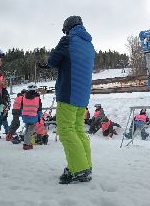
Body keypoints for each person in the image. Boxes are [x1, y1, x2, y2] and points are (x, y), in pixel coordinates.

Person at [39, 15, 95, 184]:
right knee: (78, 130)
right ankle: (85, 165)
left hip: (68, 93)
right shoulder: (90, 45)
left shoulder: (67, 40)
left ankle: (79, 169)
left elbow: (53, 60)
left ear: (68, 28)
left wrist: (46, 64)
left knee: (65, 130)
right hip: (82, 96)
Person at [21, 83, 42, 150]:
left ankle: (25, 143)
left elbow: (21, 106)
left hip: (25, 116)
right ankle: (27, 144)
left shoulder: (24, 97)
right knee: (30, 131)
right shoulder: (37, 98)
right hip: (33, 116)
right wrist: (39, 117)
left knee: (27, 130)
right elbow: (39, 109)